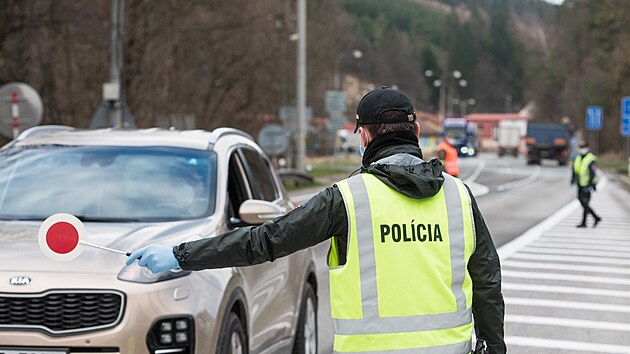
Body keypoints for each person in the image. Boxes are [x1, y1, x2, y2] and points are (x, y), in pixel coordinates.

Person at [127, 87, 506, 354]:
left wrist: (180, 255)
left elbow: (264, 241)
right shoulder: (459, 196)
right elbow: (487, 281)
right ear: (417, 132)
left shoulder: (346, 199)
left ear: (364, 135)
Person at [571, 140, 601, 228]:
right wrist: (573, 180)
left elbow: (593, 173)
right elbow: (575, 170)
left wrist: (591, 185)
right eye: (581, 148)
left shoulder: (591, 159)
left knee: (585, 203)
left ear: (588, 148)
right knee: (583, 202)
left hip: (587, 185)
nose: (582, 149)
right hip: (580, 184)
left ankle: (586, 221)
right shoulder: (578, 158)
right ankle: (595, 218)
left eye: (583, 148)